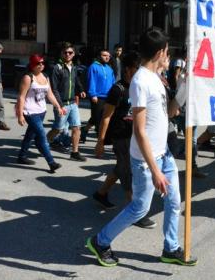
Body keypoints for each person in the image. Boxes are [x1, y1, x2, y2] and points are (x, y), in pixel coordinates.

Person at [86, 28, 197, 267]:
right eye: (167, 51)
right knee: (139, 208)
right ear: (159, 52)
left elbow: (169, 113)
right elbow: (139, 130)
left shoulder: (156, 77)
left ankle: (171, 247)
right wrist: (155, 170)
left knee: (174, 200)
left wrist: (186, 87)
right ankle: (100, 241)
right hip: (147, 161)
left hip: (163, 154)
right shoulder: (140, 82)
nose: (169, 55)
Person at [93, 51, 156, 228]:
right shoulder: (118, 89)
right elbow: (106, 117)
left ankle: (101, 193)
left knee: (121, 167)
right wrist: (100, 141)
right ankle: (135, 211)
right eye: (138, 69)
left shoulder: (140, 86)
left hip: (135, 135)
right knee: (127, 171)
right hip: (120, 136)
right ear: (128, 70)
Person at [15, 54, 65, 173]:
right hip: (30, 112)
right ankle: (51, 163)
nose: (41, 65)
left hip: (41, 111)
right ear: (32, 65)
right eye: (38, 63)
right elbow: (21, 97)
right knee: (42, 136)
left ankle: (21, 156)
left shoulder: (45, 76)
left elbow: (50, 94)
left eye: (42, 63)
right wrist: (20, 114)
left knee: (30, 135)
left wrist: (58, 106)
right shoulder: (28, 77)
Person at [46, 43, 87, 162]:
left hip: (73, 103)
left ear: (74, 54)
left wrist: (81, 90)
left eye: (70, 52)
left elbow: (76, 80)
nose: (68, 54)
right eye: (65, 52)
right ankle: (43, 142)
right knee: (58, 129)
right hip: (62, 103)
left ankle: (75, 152)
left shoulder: (73, 66)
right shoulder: (57, 67)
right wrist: (59, 105)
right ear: (61, 53)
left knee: (76, 127)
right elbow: (54, 89)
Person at [81, 49, 115, 142]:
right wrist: (93, 95)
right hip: (97, 97)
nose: (107, 57)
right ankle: (101, 140)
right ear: (99, 56)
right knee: (97, 118)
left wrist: (114, 94)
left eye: (108, 56)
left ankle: (84, 130)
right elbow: (91, 81)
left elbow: (113, 82)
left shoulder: (109, 68)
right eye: (104, 55)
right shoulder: (93, 67)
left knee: (99, 117)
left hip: (108, 97)